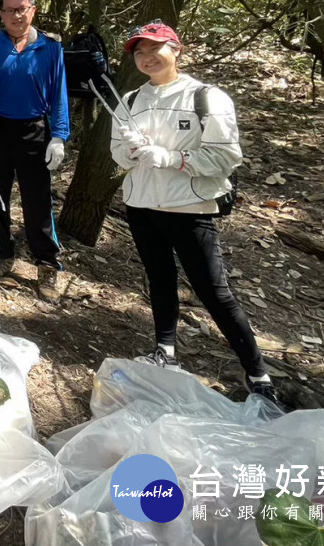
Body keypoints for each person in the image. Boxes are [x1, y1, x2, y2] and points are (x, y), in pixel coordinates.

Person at [110, 20, 280, 407]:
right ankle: (165, 350)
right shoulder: (131, 100)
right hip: (141, 205)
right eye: (139, 51)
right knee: (159, 278)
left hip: (188, 208)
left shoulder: (206, 97)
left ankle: (257, 373)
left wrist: (172, 158)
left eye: (155, 49)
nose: (147, 57)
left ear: (176, 50)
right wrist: (131, 151)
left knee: (213, 291)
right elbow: (116, 152)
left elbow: (226, 157)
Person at [0, 0, 69, 302]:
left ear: (33, 10)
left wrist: (58, 136)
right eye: (9, 10)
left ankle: (47, 263)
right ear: (1, 14)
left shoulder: (50, 48)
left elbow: (59, 94)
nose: (16, 15)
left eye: (21, 9)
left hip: (34, 130)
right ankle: (2, 252)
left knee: (37, 199)